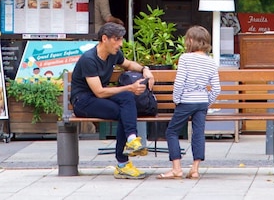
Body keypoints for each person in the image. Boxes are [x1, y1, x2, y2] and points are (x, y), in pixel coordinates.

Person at [70, 22, 155, 179]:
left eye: (121, 39)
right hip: (83, 101)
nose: (120, 44)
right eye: (117, 39)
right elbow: (99, 92)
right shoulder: (89, 59)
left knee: (127, 98)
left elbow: (129, 64)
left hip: (98, 96)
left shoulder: (114, 54)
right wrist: (130, 87)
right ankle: (123, 164)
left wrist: (145, 70)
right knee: (124, 108)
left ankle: (131, 140)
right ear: (105, 39)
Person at [157, 25, 220, 180]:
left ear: (190, 41)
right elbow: (217, 88)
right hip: (201, 102)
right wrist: (207, 102)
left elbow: (179, 83)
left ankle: (176, 168)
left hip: (186, 102)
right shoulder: (211, 62)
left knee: (172, 132)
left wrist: (177, 99)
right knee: (198, 133)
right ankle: (195, 169)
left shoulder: (185, 58)